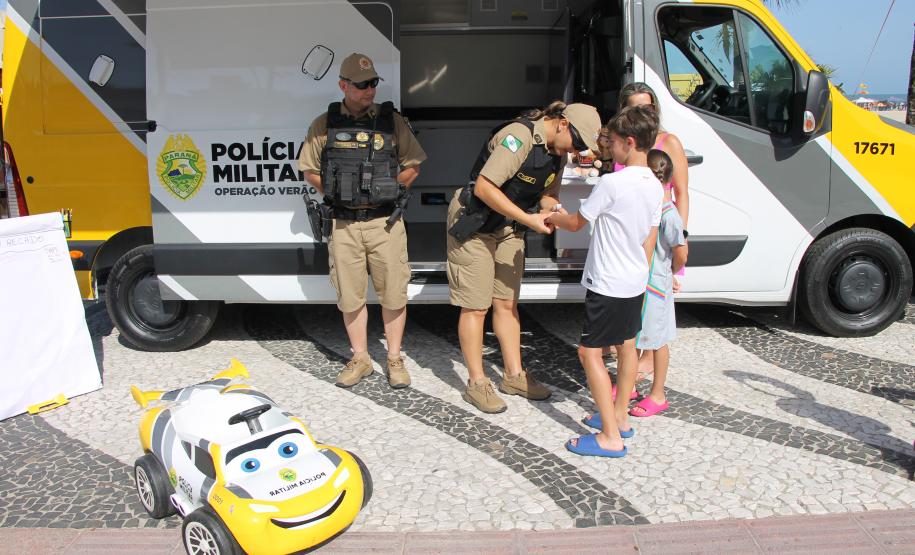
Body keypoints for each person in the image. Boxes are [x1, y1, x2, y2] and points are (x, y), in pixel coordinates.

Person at [447, 101, 602, 413]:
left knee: (507, 303)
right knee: (476, 306)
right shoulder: (518, 137)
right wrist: (528, 219)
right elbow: (485, 187)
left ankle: (514, 375)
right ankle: (477, 382)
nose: (577, 151)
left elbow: (549, 193)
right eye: (578, 142)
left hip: (508, 226)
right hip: (474, 223)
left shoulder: (557, 154)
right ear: (562, 124)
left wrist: (549, 208)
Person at [298, 53, 427, 389]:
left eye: (373, 83)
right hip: (344, 225)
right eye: (361, 85)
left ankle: (395, 359)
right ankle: (360, 359)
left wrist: (389, 187)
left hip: (386, 223)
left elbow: (413, 164)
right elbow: (309, 168)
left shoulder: (391, 122)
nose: (369, 89)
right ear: (343, 85)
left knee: (394, 295)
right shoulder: (322, 125)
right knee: (350, 296)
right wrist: (340, 191)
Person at [546, 105, 663, 457]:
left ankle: (610, 436)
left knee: (589, 353)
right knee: (627, 344)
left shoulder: (612, 183)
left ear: (629, 142)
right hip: (634, 279)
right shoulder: (656, 186)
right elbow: (650, 239)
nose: (608, 148)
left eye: (612, 142)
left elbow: (578, 223)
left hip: (608, 281)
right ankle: (621, 417)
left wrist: (554, 215)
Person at [617, 82, 691, 377]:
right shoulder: (625, 143)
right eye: (635, 107)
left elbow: (682, 193)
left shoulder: (668, 142)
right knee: (634, 299)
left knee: (653, 298)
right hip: (631, 233)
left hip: (658, 235)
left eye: (648, 107)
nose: (643, 112)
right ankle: (633, 360)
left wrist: (679, 243)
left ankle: (648, 358)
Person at [629, 149, 688, 418]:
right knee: (636, 335)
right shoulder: (649, 209)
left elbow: (681, 252)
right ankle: (628, 383)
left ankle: (658, 393)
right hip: (640, 283)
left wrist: (671, 273)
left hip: (656, 286)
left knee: (657, 341)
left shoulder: (669, 215)